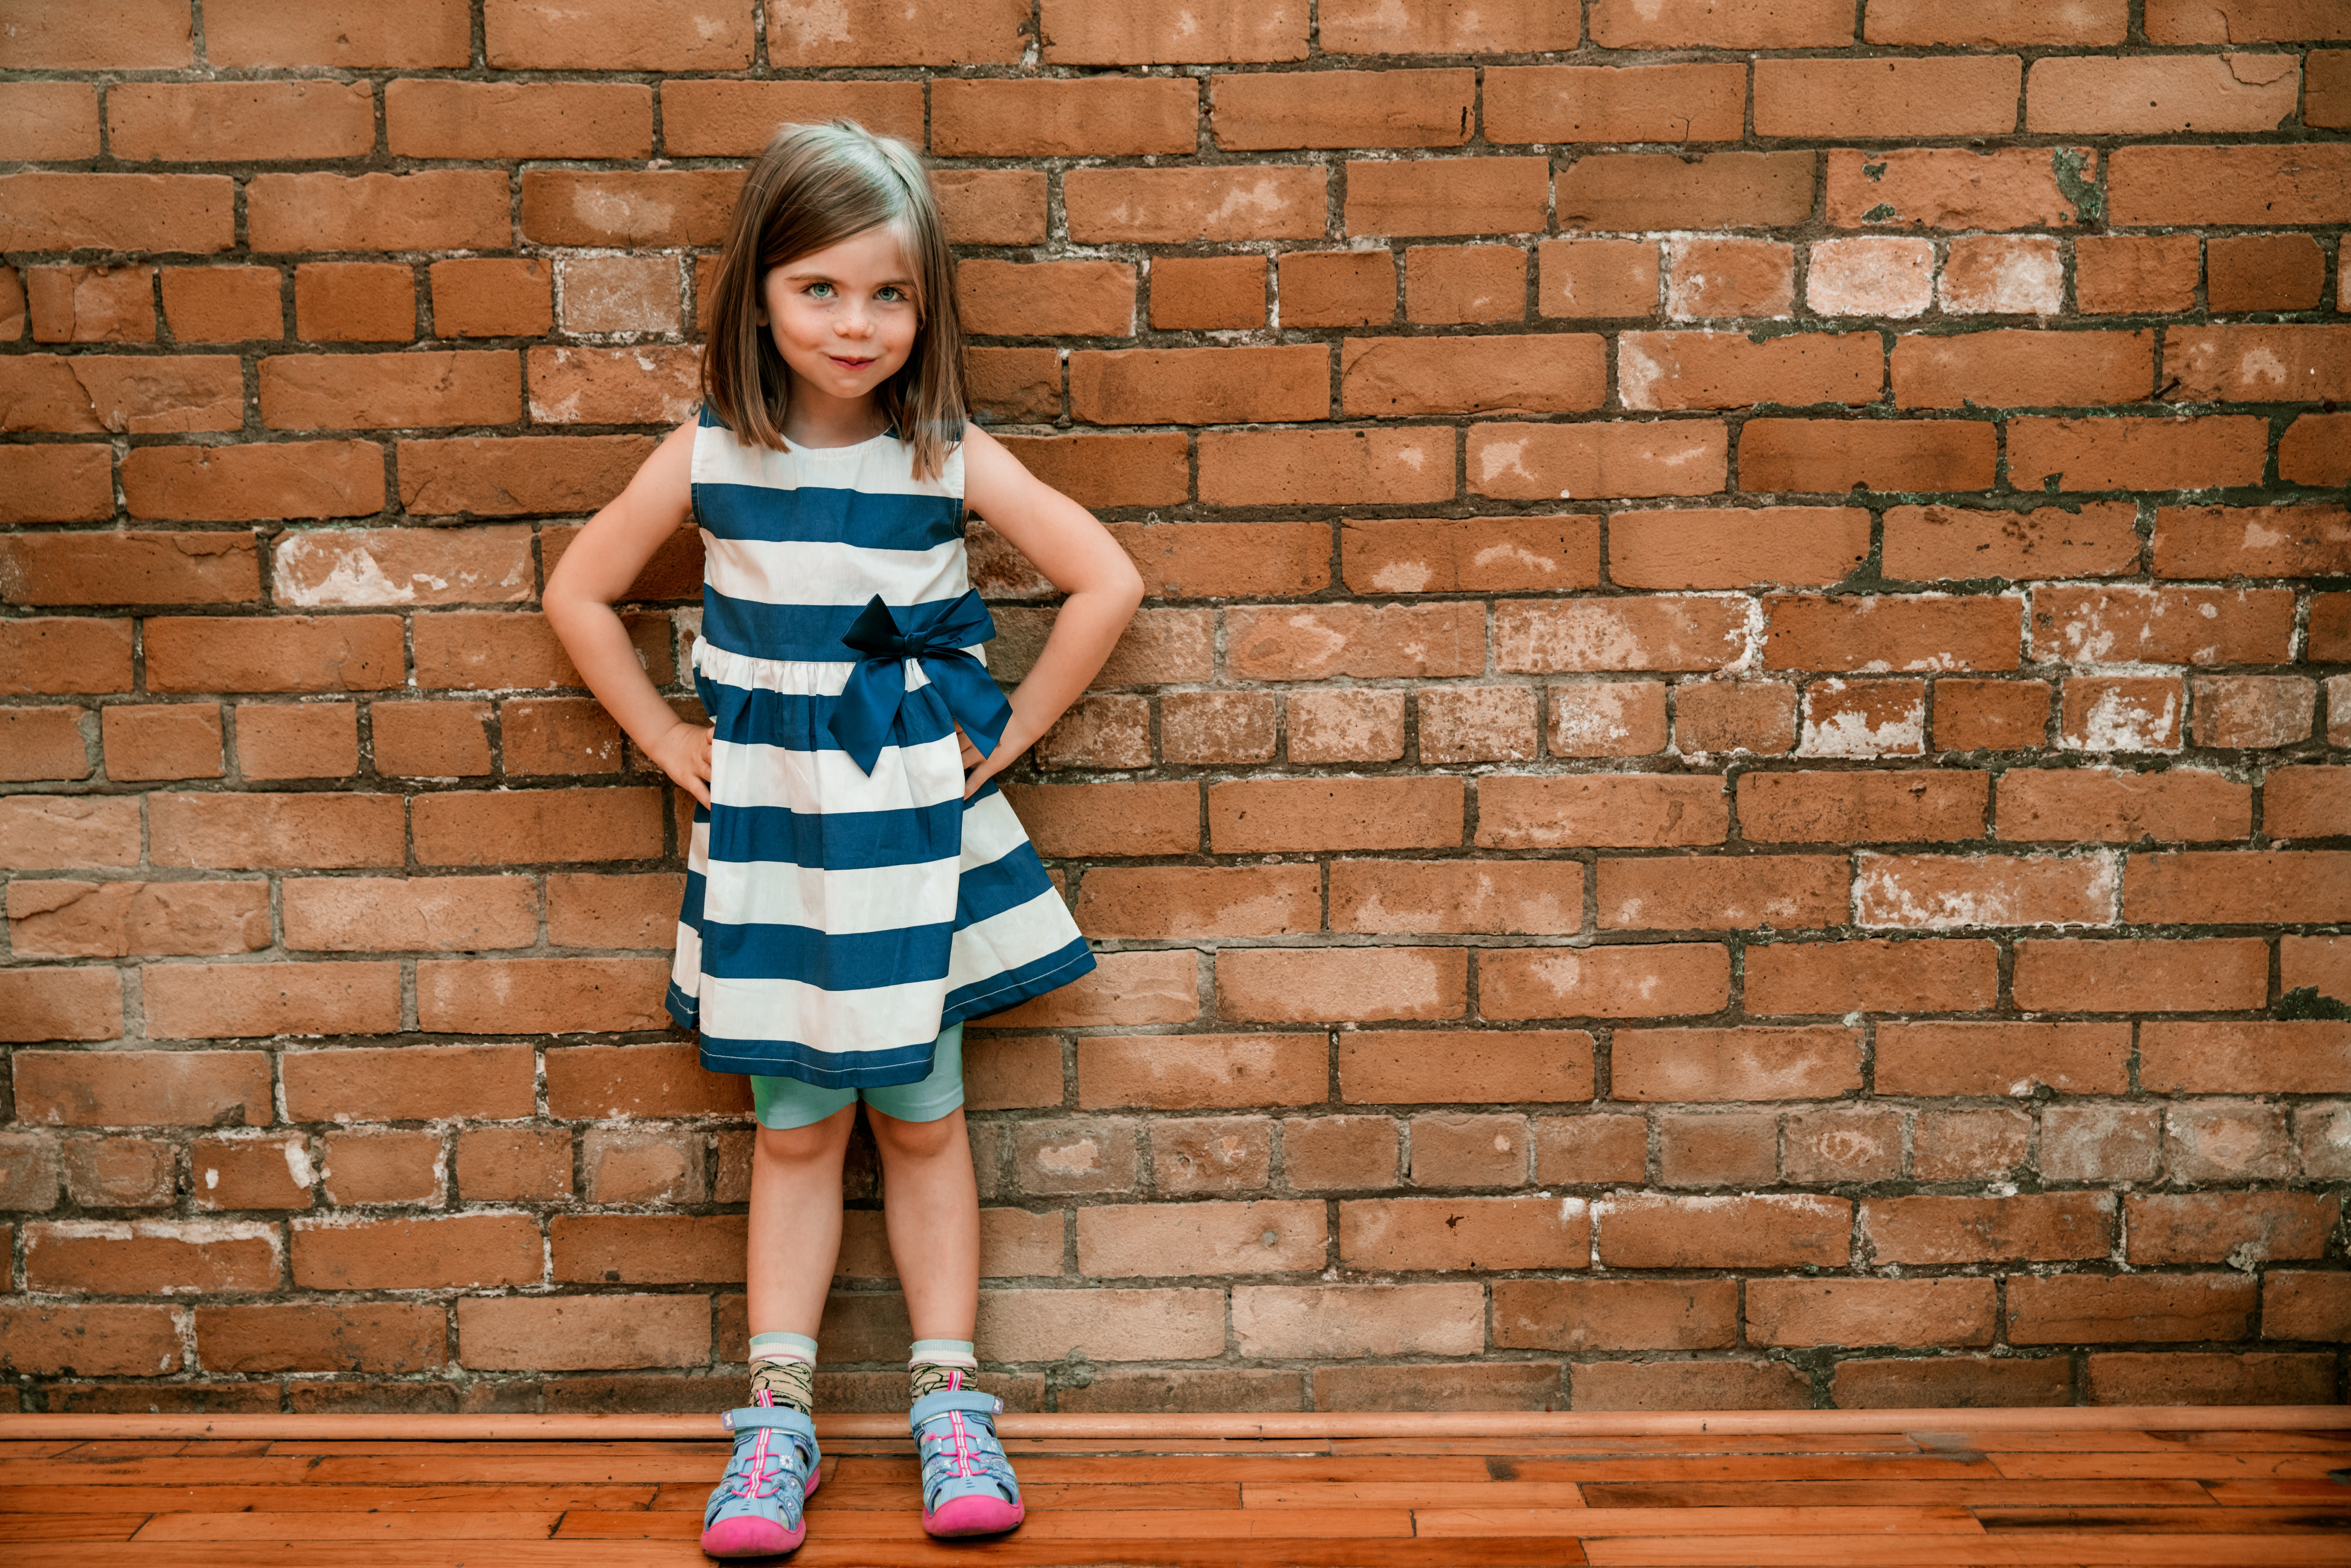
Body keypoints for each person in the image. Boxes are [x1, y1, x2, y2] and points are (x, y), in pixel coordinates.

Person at [543, 119, 1143, 1559]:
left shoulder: (943, 456)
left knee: (926, 1118)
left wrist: (1003, 740)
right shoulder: (704, 458)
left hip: (908, 842)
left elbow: (1104, 579)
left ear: (925, 307)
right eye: (819, 289)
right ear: (756, 292)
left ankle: (949, 1399)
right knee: (795, 1128)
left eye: (888, 294)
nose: (854, 323)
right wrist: (664, 738)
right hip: (775, 845)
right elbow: (578, 593)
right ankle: (776, 1421)